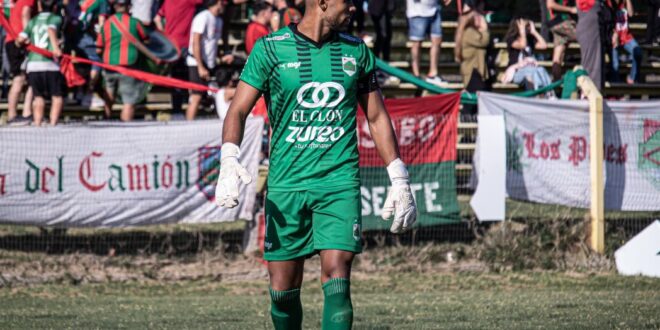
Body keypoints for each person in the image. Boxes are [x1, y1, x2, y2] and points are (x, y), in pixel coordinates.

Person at [214, 0, 417, 328]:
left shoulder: (357, 53)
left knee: (338, 278)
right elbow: (237, 110)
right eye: (347, 1)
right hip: (287, 185)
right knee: (282, 293)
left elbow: (377, 116)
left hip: (339, 183)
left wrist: (399, 175)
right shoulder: (270, 49)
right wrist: (228, 159)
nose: (354, 8)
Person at [96, 0, 148, 121]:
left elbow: (99, 48)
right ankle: (125, 129)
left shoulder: (107, 24)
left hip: (109, 66)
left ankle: (106, 121)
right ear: (128, 7)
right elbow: (146, 40)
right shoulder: (135, 23)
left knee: (109, 95)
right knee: (129, 101)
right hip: (128, 66)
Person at [16, 0, 63, 126]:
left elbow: (19, 40)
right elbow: (51, 30)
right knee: (56, 96)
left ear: (40, 5)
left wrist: (23, 43)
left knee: (38, 97)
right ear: (54, 6)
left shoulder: (33, 21)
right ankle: (53, 124)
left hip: (33, 64)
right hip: (50, 64)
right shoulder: (55, 18)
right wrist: (56, 49)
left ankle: (37, 124)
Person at [186, 0, 232, 120]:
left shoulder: (218, 20)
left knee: (215, 95)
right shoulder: (203, 17)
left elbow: (212, 44)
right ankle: (187, 127)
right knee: (196, 97)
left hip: (210, 64)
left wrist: (221, 57)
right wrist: (200, 66)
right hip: (196, 63)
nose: (225, 5)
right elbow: (195, 42)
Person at [154, 0, 203, 114]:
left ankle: (177, 109)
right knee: (188, 78)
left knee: (176, 79)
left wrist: (164, 34)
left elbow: (157, 18)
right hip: (185, 44)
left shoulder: (167, 1)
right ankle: (186, 107)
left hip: (171, 44)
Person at [67, 0, 111, 108]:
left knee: (81, 62)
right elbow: (102, 24)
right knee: (96, 60)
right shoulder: (102, 2)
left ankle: (78, 92)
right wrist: (102, 41)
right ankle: (88, 94)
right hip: (83, 36)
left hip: (70, 36)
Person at [502, 19, 555, 97]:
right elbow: (522, 45)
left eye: (527, 26)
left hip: (531, 72)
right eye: (525, 26)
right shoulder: (511, 39)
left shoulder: (529, 39)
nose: (527, 28)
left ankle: (549, 93)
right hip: (516, 73)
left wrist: (534, 32)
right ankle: (538, 93)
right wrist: (522, 32)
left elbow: (544, 45)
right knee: (531, 71)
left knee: (541, 69)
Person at [406, 0, 451, 84]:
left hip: (434, 9)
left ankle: (433, 74)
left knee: (437, 40)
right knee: (417, 43)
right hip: (417, 12)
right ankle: (416, 74)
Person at [5, 0, 34, 124]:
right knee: (19, 79)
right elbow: (25, 14)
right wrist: (27, 35)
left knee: (30, 78)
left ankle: (27, 113)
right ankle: (12, 115)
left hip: (14, 41)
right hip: (18, 42)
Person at [611, 0, 642, 84]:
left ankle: (631, 78)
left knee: (638, 52)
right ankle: (616, 92)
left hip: (626, 36)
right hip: (614, 37)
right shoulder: (609, 2)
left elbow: (631, 14)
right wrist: (614, 33)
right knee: (615, 65)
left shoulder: (625, 2)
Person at [546, 0, 577, 80]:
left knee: (558, 56)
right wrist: (570, 9)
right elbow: (550, 4)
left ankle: (555, 84)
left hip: (557, 23)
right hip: (560, 21)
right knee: (585, 36)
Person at [576, 0, 602, 90]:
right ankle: (587, 91)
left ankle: (592, 90)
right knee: (589, 63)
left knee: (595, 62)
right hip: (587, 28)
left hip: (594, 27)